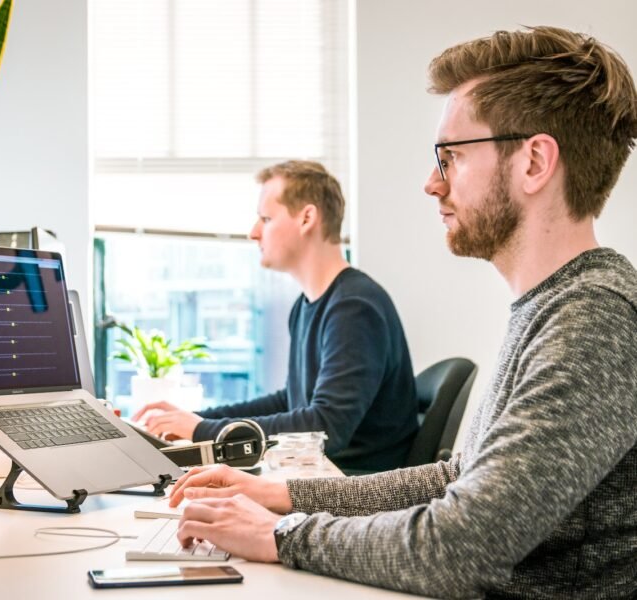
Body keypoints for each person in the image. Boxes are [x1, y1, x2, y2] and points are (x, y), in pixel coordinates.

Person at [165, 27, 637, 599]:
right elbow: (456, 478)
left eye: (452, 157)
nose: (432, 183)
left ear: (534, 161)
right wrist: (283, 496)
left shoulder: (594, 319)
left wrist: (282, 534)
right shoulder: (552, 306)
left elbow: (460, 547)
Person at [139, 160, 419, 473]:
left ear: (307, 218)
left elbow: (326, 428)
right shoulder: (308, 305)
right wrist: (200, 420)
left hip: (352, 488)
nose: (253, 233)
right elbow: (291, 401)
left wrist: (202, 431)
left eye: (266, 218)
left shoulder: (354, 309)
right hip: (321, 476)